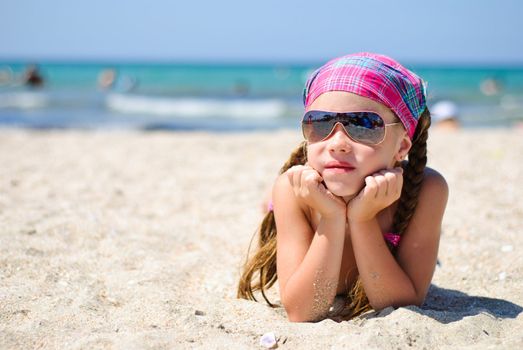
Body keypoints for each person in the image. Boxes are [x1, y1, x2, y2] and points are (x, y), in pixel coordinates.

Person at [237, 53, 448, 322]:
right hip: (294, 197)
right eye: (321, 123)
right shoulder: (293, 191)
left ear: (402, 146)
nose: (338, 143)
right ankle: (267, 202)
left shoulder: (427, 190)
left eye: (363, 124)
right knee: (273, 197)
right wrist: (332, 217)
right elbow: (302, 311)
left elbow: (401, 304)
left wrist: (362, 220)